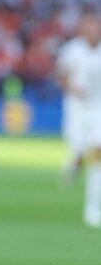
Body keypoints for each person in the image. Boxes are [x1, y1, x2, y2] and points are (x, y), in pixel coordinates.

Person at [55, 12, 101, 226]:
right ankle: (75, 163)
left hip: (98, 108)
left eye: (97, 26)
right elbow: (60, 75)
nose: (94, 30)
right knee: (80, 149)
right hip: (77, 108)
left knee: (98, 153)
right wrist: (71, 86)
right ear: (83, 28)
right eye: (90, 26)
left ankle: (92, 208)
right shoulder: (72, 50)